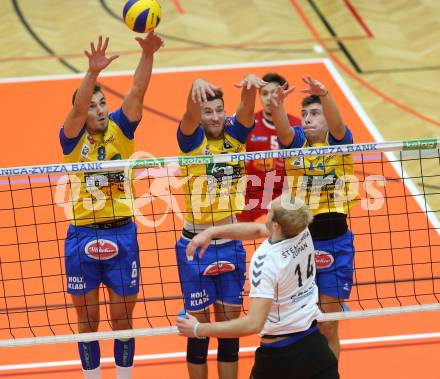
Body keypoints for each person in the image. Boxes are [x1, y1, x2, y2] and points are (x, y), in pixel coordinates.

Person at [59, 33, 164, 379]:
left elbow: (137, 91)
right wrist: (91, 74)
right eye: (92, 104)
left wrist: (147, 54)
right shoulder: (71, 138)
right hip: (82, 237)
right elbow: (77, 109)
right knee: (88, 322)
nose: (99, 109)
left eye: (102, 103)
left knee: (122, 320)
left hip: (122, 234)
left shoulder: (121, 129)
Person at [177, 195, 339, 379]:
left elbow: (253, 323)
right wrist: (211, 232)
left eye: (270, 212)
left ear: (276, 226)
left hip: (280, 357)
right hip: (316, 348)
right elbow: (257, 229)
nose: (266, 213)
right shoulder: (303, 231)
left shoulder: (267, 260)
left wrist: (198, 329)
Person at [176, 74, 266, 379]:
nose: (214, 117)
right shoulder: (191, 141)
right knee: (197, 333)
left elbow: (246, 107)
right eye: (207, 111)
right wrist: (194, 89)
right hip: (194, 245)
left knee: (229, 333)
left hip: (230, 243)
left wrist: (252, 87)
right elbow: (189, 116)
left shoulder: (235, 137)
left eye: (218, 111)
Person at [268, 76, 357, 360]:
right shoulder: (296, 143)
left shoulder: (340, 142)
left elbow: (338, 124)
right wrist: (278, 104)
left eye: (314, 113)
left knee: (329, 326)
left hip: (336, 244)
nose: (307, 119)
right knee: (300, 325)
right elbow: (283, 130)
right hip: (300, 244)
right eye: (304, 114)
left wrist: (325, 95)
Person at [237, 72, 301, 222]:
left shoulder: (297, 125)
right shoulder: (250, 124)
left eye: (274, 93)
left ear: (283, 95)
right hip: (253, 192)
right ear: (259, 96)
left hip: (285, 192)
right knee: (229, 228)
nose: (269, 98)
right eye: (264, 94)